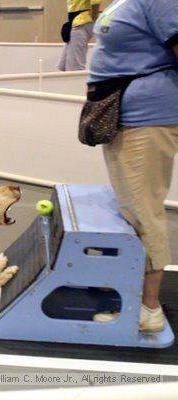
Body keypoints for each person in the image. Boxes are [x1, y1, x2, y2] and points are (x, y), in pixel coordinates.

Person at [89, 0, 178, 332]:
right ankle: (129, 287)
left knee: (144, 211)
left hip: (150, 117)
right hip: (126, 115)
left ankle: (147, 308)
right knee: (130, 208)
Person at [57, 0, 100, 71]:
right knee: (63, 65)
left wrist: (94, 18)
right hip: (75, 21)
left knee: (75, 67)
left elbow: (95, 2)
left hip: (81, 22)